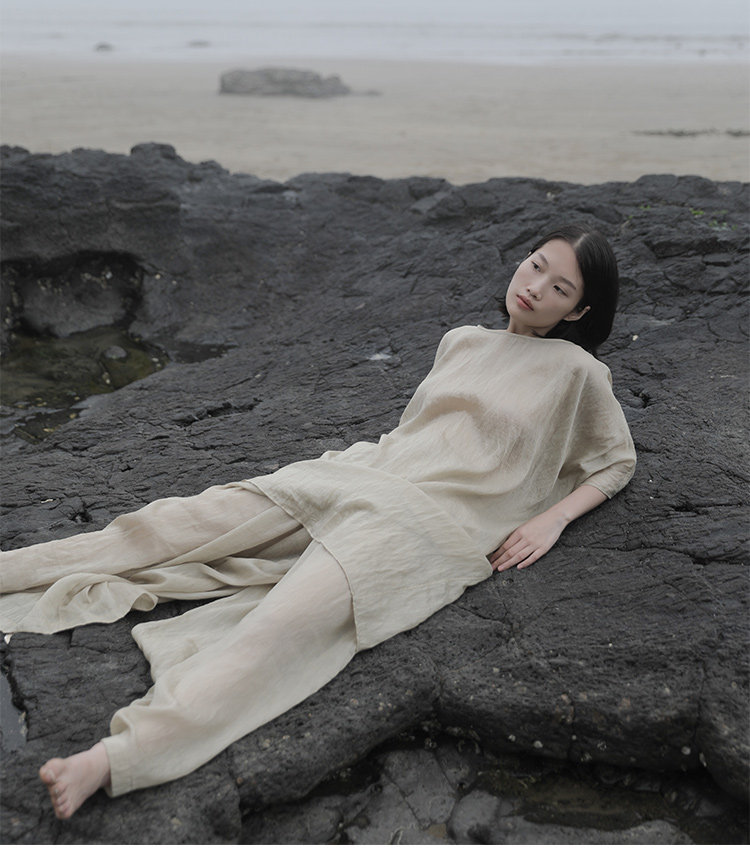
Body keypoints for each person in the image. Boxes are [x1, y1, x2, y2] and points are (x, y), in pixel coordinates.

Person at [0, 224, 636, 820]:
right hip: (362, 474)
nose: (536, 287)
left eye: (560, 288)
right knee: (171, 525)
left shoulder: (579, 372)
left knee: (281, 629)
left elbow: (615, 462)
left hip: (426, 525)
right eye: (536, 265)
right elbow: (417, 433)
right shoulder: (462, 341)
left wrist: (553, 519)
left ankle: (115, 758)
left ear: (578, 311)